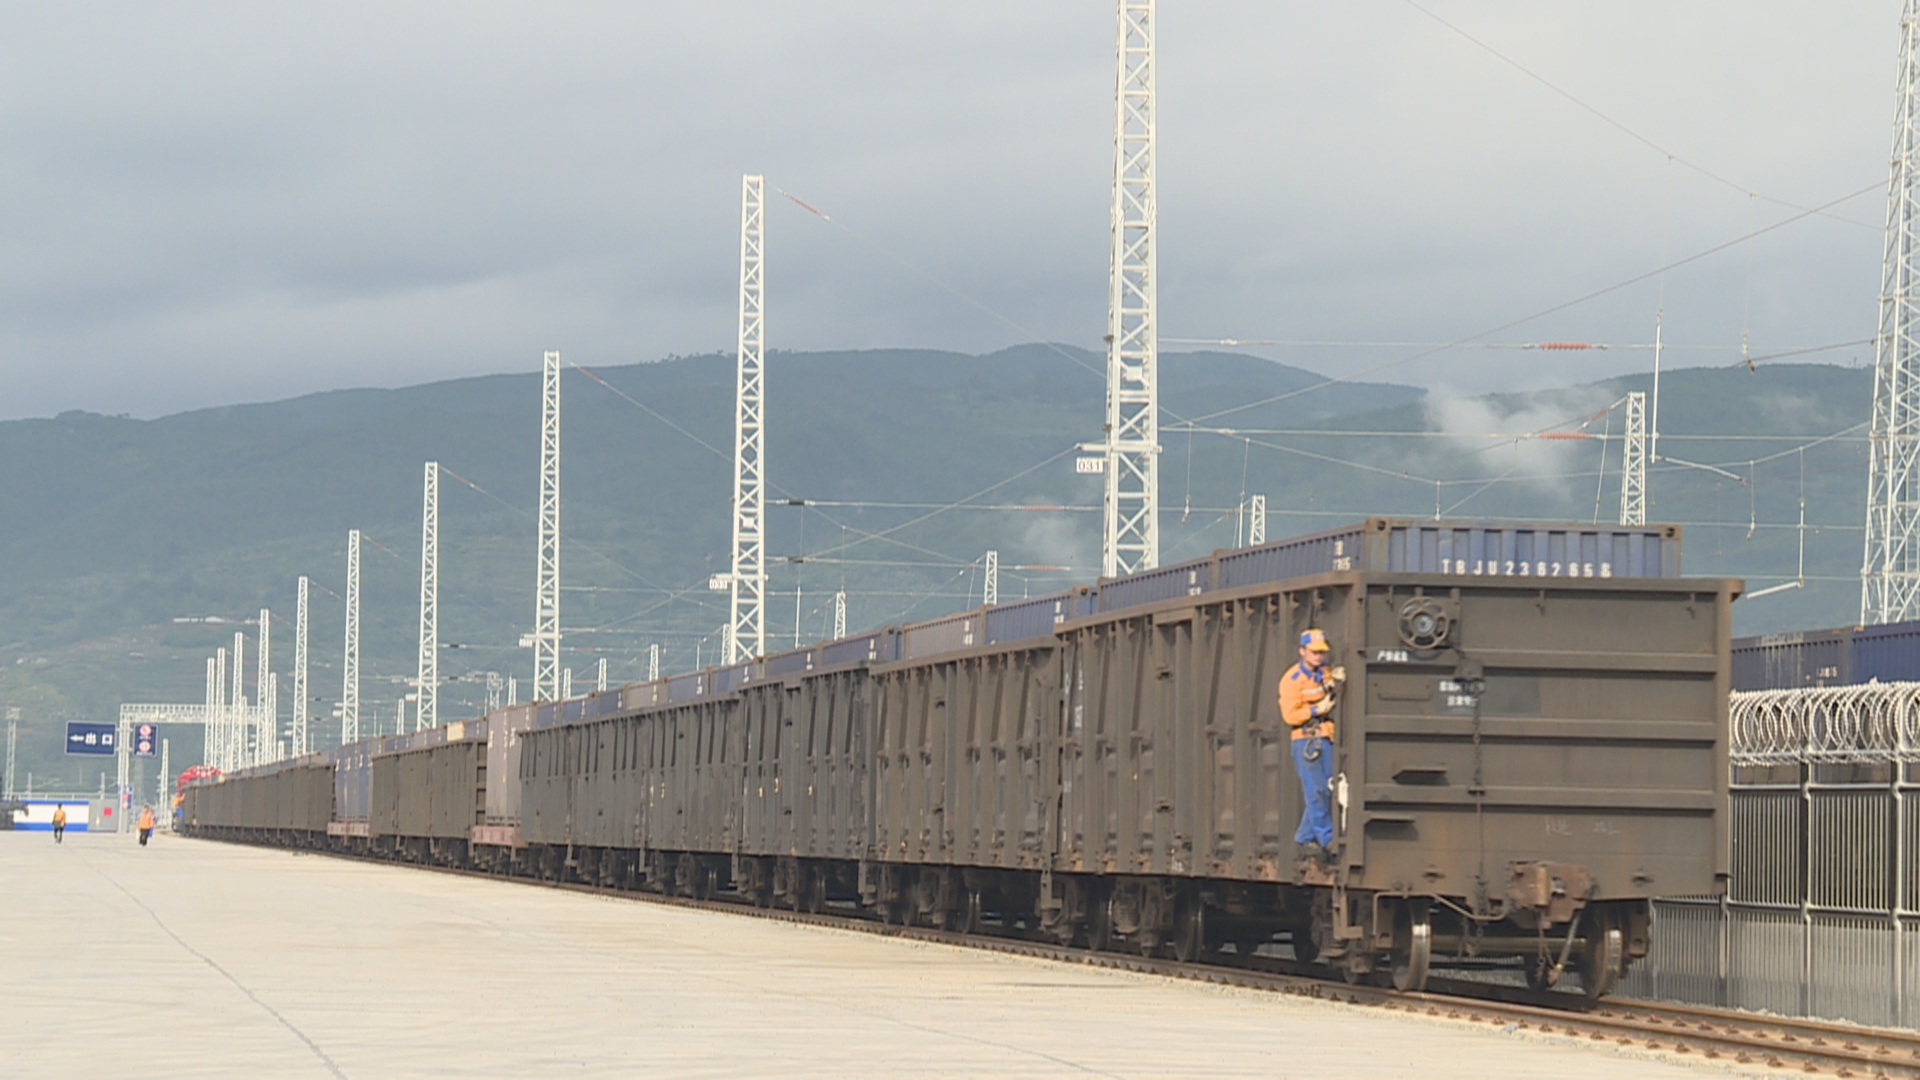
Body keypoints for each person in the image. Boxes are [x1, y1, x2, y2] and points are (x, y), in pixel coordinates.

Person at [1278, 628, 1344, 864]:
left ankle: (1304, 838)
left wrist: (1338, 683)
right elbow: (1289, 715)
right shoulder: (1292, 679)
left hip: (1327, 737)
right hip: (1307, 740)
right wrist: (1317, 709)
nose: (1319, 656)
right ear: (1302, 651)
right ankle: (1327, 841)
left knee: (1326, 790)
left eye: (1321, 652)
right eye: (1314, 652)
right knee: (1315, 791)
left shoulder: (1325, 673)